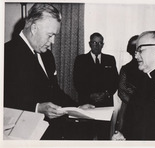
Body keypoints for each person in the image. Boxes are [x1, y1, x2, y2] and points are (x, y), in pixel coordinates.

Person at [4, 3, 94, 140]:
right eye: (50, 35)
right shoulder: (7, 53)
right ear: (34, 28)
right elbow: (6, 100)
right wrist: (37, 107)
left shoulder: (47, 55)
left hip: (50, 133)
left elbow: (54, 91)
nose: (53, 41)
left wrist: (78, 108)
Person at [73, 32, 119, 140]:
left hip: (105, 105)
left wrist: (106, 93)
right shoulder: (80, 59)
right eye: (94, 42)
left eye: (99, 43)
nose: (97, 45)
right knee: (86, 136)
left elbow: (115, 81)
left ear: (103, 44)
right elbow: (77, 82)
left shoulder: (110, 59)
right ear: (89, 44)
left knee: (104, 137)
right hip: (87, 104)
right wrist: (90, 95)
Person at [112, 35, 144, 140]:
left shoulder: (147, 67)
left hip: (145, 107)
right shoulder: (126, 68)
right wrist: (135, 103)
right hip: (128, 108)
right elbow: (121, 91)